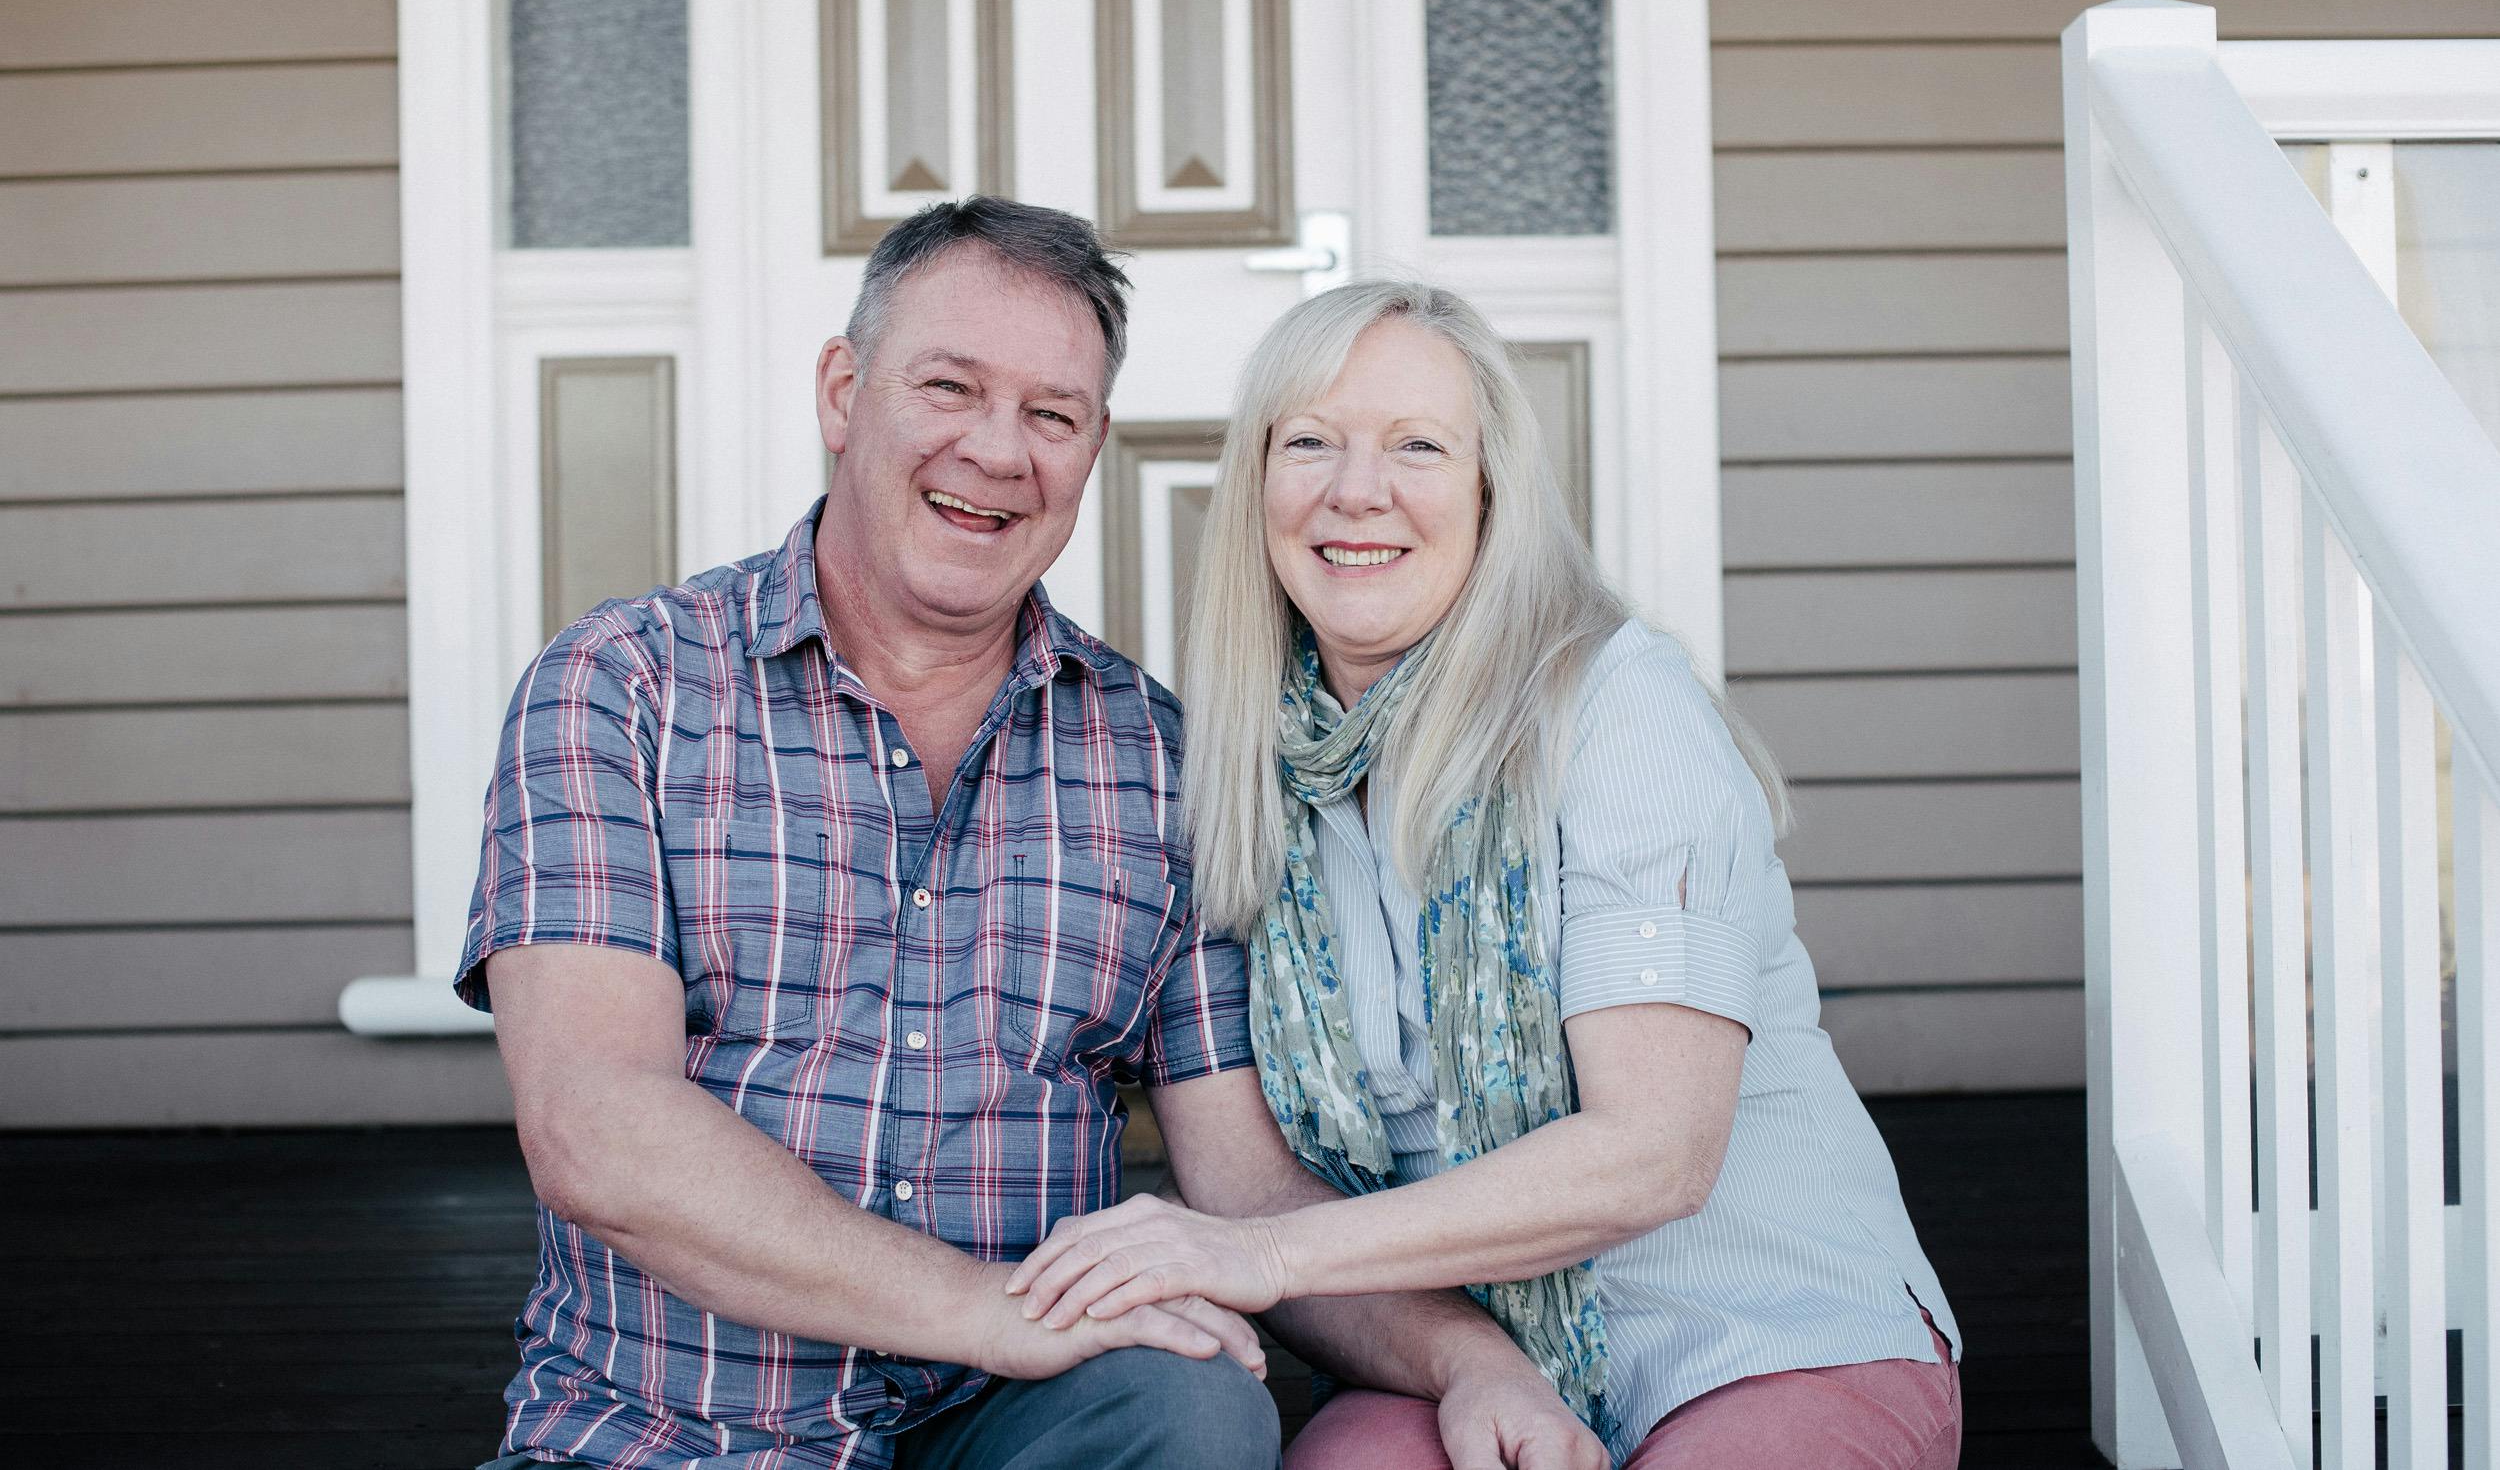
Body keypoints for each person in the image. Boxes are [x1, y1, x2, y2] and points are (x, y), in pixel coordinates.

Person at [456, 204, 1599, 1470]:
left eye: (1051, 415)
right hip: (673, 1428)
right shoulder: (625, 687)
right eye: (948, 387)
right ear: (843, 392)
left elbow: (1248, 1195)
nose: (997, 452)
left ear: (1093, 446)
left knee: (1195, 1398)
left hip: (1014, 1420)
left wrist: (1471, 1360)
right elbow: (596, 1124)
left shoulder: (1155, 759)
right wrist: (979, 1308)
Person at [1002, 281, 1964, 1469]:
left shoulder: (1615, 708)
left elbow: (1653, 1150)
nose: (1357, 489)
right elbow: (1254, 1189)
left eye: (1417, 445)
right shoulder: (1238, 776)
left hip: (1762, 1329)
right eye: (1309, 441)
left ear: (1489, 493)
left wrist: (1266, 1258)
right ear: (1255, 487)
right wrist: (1468, 1360)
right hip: (1466, 1345)